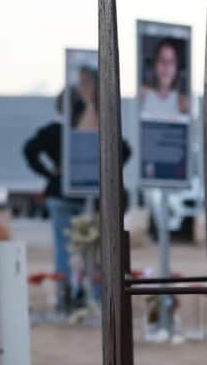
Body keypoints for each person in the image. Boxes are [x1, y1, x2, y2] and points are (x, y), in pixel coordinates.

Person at [23, 92, 130, 312]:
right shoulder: (93, 131)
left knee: (64, 249)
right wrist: (104, 171)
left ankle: (66, 296)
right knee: (97, 249)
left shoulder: (52, 131)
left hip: (60, 194)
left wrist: (50, 174)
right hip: (93, 195)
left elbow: (29, 150)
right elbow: (125, 150)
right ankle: (99, 297)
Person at [139, 39, 190, 121]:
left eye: (171, 61)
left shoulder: (183, 103)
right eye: (162, 59)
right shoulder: (141, 95)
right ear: (155, 64)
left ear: (177, 67)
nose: (166, 66)